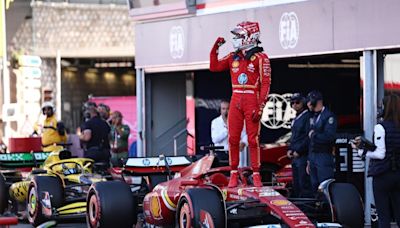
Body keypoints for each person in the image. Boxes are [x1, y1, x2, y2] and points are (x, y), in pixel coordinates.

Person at [210, 21, 271, 187]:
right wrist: (216, 47)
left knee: (252, 139)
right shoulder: (232, 57)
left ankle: (256, 174)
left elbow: (266, 83)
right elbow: (214, 66)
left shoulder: (261, 58)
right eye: (235, 35)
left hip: (252, 99)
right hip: (235, 99)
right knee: (233, 139)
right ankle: (233, 173)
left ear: (250, 37)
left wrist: (260, 106)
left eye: (238, 35)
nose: (235, 39)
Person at [352, 94, 400, 228]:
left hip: (383, 174)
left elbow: (380, 153)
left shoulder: (381, 127)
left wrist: (361, 150)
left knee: (383, 215)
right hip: (398, 174)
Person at [306, 90, 337, 194]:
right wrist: (309, 160)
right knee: (314, 184)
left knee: (325, 185)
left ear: (317, 101)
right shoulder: (313, 116)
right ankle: (318, 207)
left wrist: (314, 135)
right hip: (313, 155)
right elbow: (310, 141)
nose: (308, 104)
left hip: (324, 155)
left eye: (310, 101)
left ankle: (328, 208)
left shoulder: (329, 116)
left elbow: (329, 137)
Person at [287, 93, 312, 197]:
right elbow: (294, 137)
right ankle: (299, 209)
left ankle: (307, 210)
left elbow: (308, 137)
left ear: (303, 102)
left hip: (303, 156)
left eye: (297, 102)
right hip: (295, 156)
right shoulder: (295, 118)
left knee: (304, 184)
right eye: (292, 103)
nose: (294, 105)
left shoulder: (307, 116)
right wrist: (290, 149)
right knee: (296, 184)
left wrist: (299, 151)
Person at [211, 100, 247, 166]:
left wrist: (244, 142)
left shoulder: (237, 121)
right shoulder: (215, 122)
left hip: (234, 153)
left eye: (228, 108)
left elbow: (245, 134)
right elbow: (215, 139)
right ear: (220, 110)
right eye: (223, 109)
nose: (225, 111)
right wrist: (227, 129)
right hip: (220, 154)